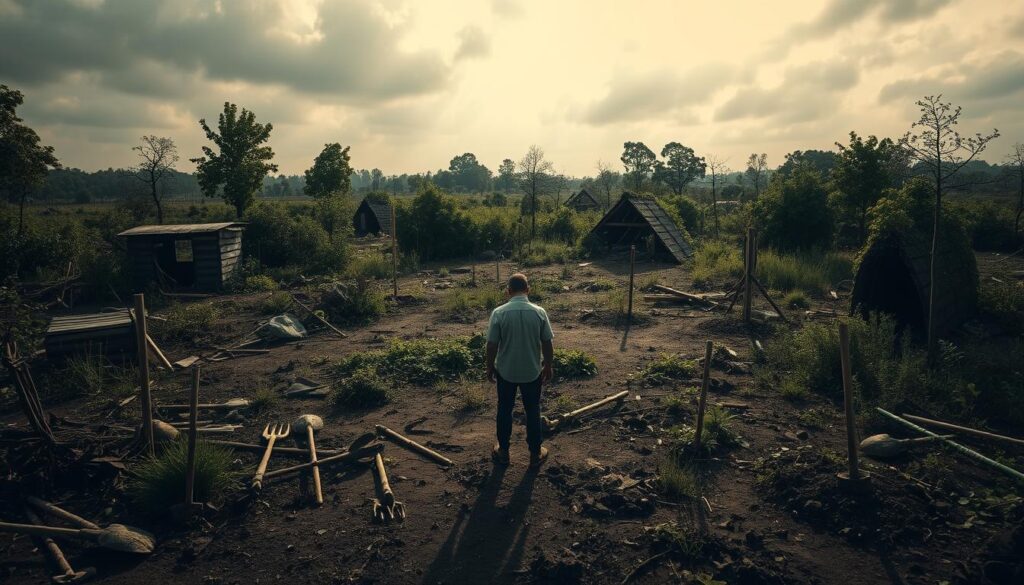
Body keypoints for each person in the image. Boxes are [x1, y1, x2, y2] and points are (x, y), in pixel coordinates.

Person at [485, 272, 553, 468]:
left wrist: (490, 366)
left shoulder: (499, 313)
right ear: (528, 290)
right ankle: (535, 453)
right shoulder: (539, 312)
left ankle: (504, 451)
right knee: (533, 410)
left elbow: (492, 344)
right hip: (532, 370)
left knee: (504, 409)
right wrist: (547, 364)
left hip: (506, 371)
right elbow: (547, 342)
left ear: (508, 291)